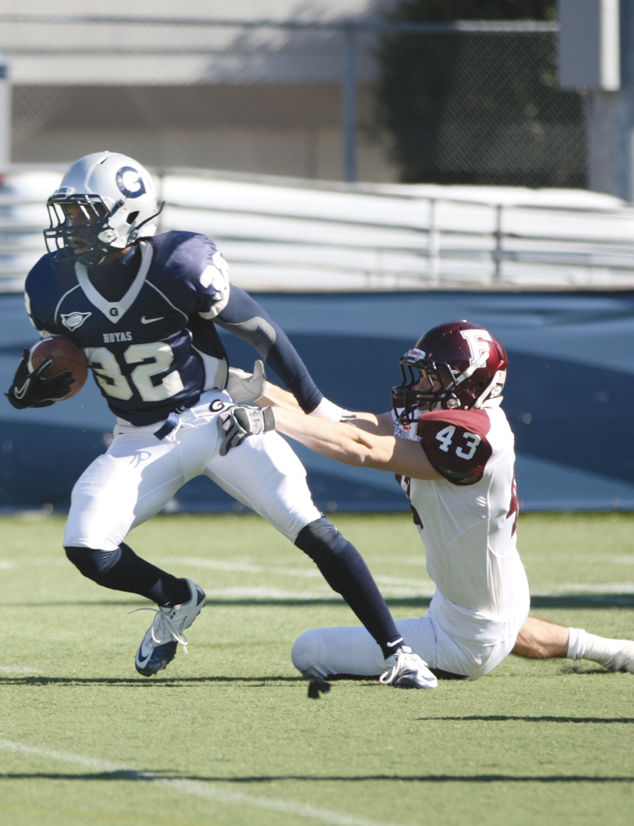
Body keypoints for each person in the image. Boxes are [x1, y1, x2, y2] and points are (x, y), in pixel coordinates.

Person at [5, 150, 434, 693]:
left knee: (307, 524)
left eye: (83, 214)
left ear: (126, 215)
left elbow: (260, 330)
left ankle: (397, 652)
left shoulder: (178, 264)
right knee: (87, 547)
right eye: (67, 215)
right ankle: (176, 597)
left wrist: (314, 402)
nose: (70, 229)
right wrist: (26, 387)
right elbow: (49, 367)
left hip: (219, 418)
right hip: (139, 438)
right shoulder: (51, 285)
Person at [220, 319, 634, 683]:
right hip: (496, 600)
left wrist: (272, 420)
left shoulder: (473, 436)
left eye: (433, 377)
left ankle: (433, 661)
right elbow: (351, 422)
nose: (419, 385)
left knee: (308, 650)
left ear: (469, 384)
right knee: (492, 620)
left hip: (466, 636)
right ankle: (614, 650)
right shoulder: (454, 416)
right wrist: (261, 393)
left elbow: (366, 449)